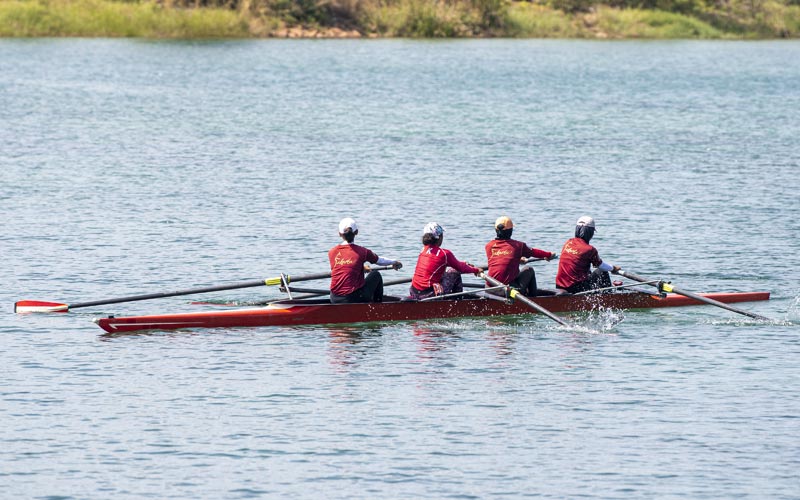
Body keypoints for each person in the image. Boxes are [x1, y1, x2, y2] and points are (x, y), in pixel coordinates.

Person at [328, 217, 402, 304]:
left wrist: (360, 267)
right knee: (376, 275)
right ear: (356, 232)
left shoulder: (332, 252)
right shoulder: (362, 252)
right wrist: (394, 262)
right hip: (352, 298)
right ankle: (378, 308)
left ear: (339, 234)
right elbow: (380, 261)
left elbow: (343, 267)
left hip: (334, 298)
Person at [485, 216, 556, 297]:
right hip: (508, 291)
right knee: (529, 269)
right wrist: (548, 255)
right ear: (511, 231)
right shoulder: (519, 246)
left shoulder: (489, 246)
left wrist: (516, 259)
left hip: (489, 289)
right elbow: (535, 252)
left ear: (496, 230)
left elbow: (501, 259)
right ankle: (533, 299)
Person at [409, 222, 482, 300]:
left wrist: (465, 264)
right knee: (454, 272)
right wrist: (476, 270)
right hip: (429, 294)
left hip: (413, 292)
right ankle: (456, 301)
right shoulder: (445, 253)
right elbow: (460, 267)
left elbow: (438, 263)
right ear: (439, 237)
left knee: (444, 272)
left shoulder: (423, 250)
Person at [555, 216, 620, 294]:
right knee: (602, 272)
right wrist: (613, 268)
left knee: (587, 272)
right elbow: (600, 265)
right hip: (576, 288)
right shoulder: (590, 249)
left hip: (560, 286)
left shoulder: (568, 242)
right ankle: (608, 299)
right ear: (591, 233)